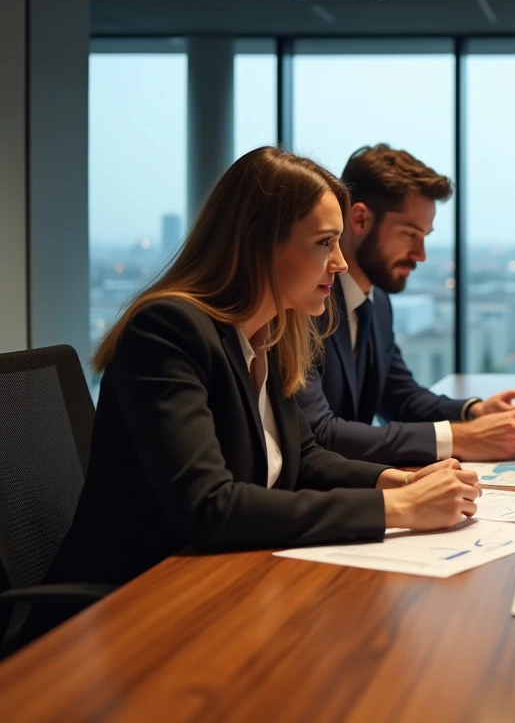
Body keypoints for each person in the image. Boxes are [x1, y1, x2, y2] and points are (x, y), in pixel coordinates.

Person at [23, 147, 480, 642]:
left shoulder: (271, 334)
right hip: (126, 613)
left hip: (216, 588)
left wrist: (397, 482)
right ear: (261, 243)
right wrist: (398, 510)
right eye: (325, 243)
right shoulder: (168, 332)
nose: (341, 263)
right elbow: (210, 507)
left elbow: (303, 458)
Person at [295, 144, 515, 466]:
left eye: (425, 236)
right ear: (360, 220)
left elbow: (399, 396)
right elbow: (320, 434)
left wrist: (474, 411)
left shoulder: (376, 304)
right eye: (410, 234)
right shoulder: (305, 304)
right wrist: (462, 438)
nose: (421, 254)